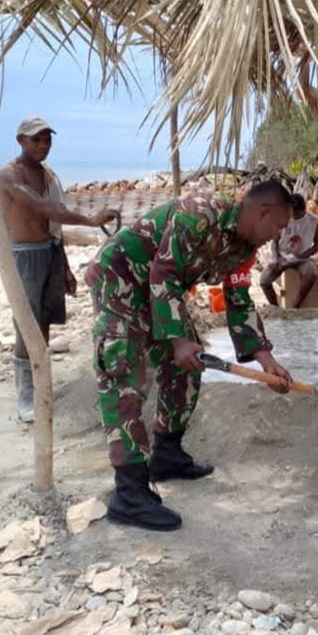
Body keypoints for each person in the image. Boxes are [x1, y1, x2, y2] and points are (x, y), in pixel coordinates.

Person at [85, 181, 296, 531]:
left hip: (158, 291)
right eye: (278, 226)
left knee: (187, 367)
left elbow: (239, 300)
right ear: (263, 213)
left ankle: (166, 454)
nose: (277, 235)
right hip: (120, 279)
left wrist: (265, 358)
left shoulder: (244, 249)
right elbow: (163, 271)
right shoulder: (200, 212)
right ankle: (129, 493)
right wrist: (178, 339)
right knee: (125, 376)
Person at [0, 116, 119, 423]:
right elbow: (44, 209)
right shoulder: (10, 175)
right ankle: (26, 396)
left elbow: (54, 225)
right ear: (21, 140)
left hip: (49, 251)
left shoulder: (48, 174)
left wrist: (64, 265)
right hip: (25, 255)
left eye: (47, 140)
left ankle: (41, 386)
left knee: (46, 321)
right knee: (28, 323)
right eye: (36, 139)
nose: (43, 145)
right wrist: (91, 220)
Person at [259, 194, 318, 309]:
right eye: (291, 212)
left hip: (302, 258)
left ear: (304, 210)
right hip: (282, 256)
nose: (293, 216)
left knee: (311, 273)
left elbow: (317, 245)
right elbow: (275, 242)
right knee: (264, 280)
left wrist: (303, 255)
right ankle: (275, 307)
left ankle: (295, 306)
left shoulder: (313, 221)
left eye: (297, 214)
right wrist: (276, 259)